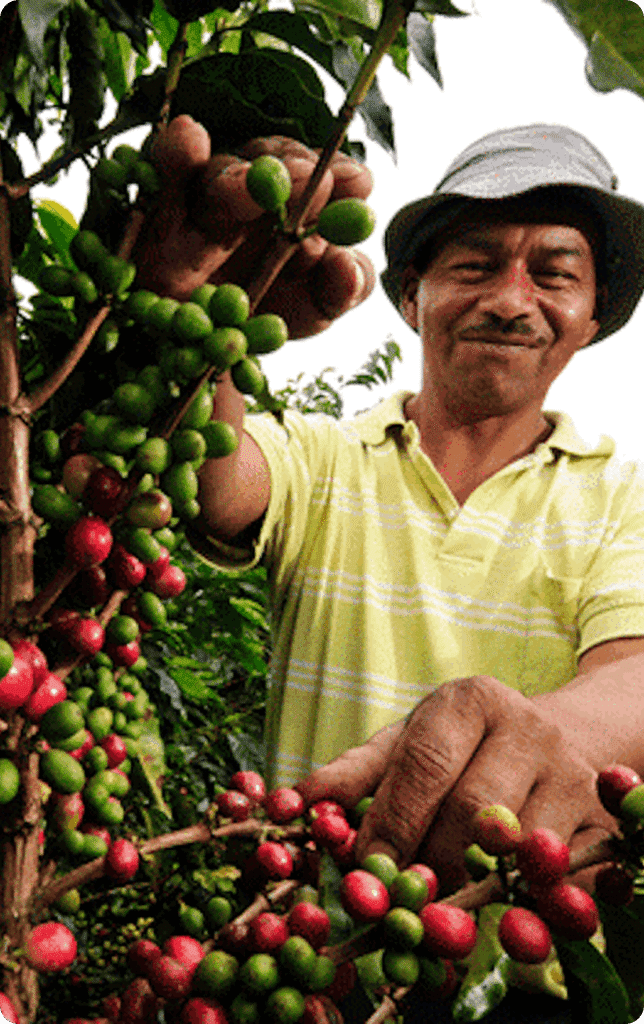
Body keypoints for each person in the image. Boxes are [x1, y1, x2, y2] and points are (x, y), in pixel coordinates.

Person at [134, 118, 644, 1022]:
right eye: (475, 266)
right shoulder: (330, 459)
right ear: (412, 297)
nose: (511, 299)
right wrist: (189, 297)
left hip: (519, 994)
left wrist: (518, 730)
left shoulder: (624, 496)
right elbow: (220, 480)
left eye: (554, 272)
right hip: (304, 978)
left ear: (592, 317)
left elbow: (636, 675)